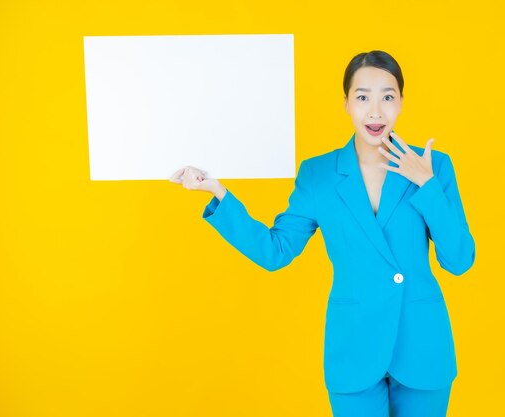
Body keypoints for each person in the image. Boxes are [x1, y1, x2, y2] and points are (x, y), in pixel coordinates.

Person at [170, 50, 475, 417]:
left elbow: (459, 260)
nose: (375, 111)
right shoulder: (318, 175)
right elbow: (275, 250)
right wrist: (218, 192)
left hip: (422, 348)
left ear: (401, 103)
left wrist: (426, 184)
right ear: (346, 103)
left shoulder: (434, 166)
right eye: (362, 97)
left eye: (387, 97)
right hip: (354, 349)